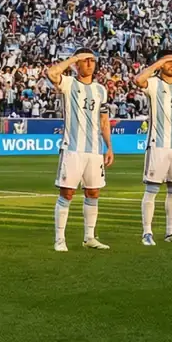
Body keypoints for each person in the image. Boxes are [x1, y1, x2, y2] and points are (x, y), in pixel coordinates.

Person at [47, 50, 114, 251]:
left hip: (94, 150)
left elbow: (104, 121)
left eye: (92, 60)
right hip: (72, 149)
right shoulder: (69, 83)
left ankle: (89, 237)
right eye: (85, 60)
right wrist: (73, 59)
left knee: (93, 192)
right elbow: (51, 73)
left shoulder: (101, 90)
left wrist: (109, 146)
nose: (89, 64)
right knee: (67, 193)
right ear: (77, 64)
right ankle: (60, 239)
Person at [133, 50, 172, 246]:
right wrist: (158, 63)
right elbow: (138, 80)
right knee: (152, 189)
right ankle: (147, 233)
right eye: (169, 62)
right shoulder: (153, 84)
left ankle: (171, 232)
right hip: (157, 145)